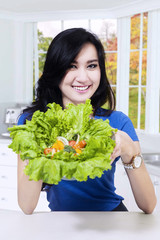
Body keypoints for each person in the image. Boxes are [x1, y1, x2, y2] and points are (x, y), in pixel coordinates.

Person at [17, 28, 156, 214]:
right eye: (71, 66)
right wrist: (38, 149)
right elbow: (27, 206)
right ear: (56, 70)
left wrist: (130, 151)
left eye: (91, 66)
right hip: (61, 222)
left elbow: (148, 205)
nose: (83, 78)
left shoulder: (117, 121)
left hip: (112, 218)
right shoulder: (33, 123)